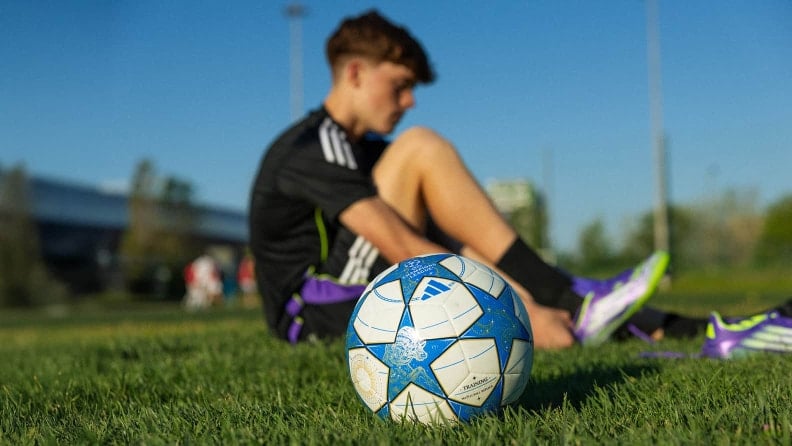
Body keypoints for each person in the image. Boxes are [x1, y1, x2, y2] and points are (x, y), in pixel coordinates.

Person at [248, 10, 728, 348]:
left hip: (356, 288)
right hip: (312, 316)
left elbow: (439, 242)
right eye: (401, 85)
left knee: (473, 251)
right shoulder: (312, 147)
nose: (409, 99)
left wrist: (517, 289)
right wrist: (515, 316)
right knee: (421, 150)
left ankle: (677, 326)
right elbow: (399, 244)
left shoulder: (361, 149)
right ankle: (570, 298)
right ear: (354, 72)